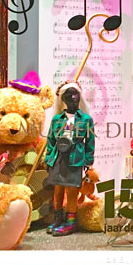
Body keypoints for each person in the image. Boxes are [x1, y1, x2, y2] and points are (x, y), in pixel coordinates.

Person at [45, 81, 95, 236]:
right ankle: (58, 218)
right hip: (58, 157)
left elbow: (90, 141)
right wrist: (48, 158)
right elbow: (50, 140)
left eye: (75, 95)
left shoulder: (85, 119)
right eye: (68, 96)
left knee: (72, 189)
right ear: (63, 99)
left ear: (79, 97)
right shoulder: (57, 119)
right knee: (58, 188)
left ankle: (71, 221)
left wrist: (88, 160)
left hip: (75, 158)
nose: (72, 98)